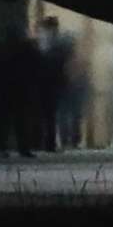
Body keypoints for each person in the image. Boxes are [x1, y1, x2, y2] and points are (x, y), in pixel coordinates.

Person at [34, 16, 69, 154]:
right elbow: (61, 61)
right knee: (51, 114)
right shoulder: (56, 42)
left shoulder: (41, 40)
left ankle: (44, 142)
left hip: (42, 81)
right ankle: (49, 143)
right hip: (52, 81)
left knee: (46, 114)